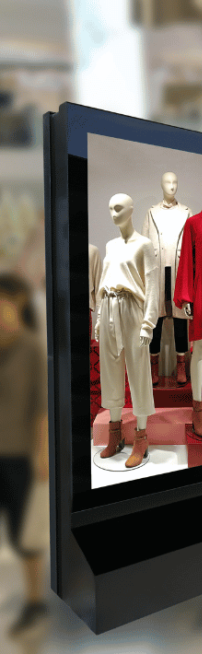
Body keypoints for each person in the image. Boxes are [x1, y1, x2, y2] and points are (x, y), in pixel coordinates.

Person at [0, 273, 48, 638]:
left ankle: (34, 601)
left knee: (24, 535)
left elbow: (41, 409)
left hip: (18, 457)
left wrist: (42, 456)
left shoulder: (32, 348)